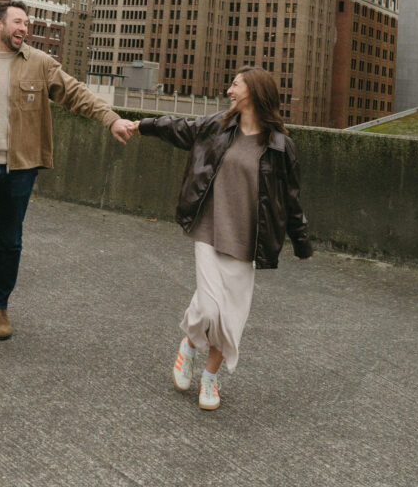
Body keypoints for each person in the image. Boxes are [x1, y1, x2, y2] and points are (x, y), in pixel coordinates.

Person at [0, 0, 137, 367]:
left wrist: (111, 119)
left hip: (19, 169)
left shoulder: (40, 64)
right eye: (17, 21)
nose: (24, 27)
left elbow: (75, 94)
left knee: (10, 242)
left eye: (27, 23)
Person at [134, 66, 312, 410]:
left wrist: (301, 239)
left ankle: (210, 380)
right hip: (209, 229)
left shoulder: (279, 146)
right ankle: (189, 347)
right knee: (211, 309)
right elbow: (180, 128)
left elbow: (291, 197)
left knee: (230, 319)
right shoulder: (218, 126)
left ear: (254, 92)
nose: (229, 90)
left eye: (235, 84)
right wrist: (142, 126)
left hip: (247, 240)